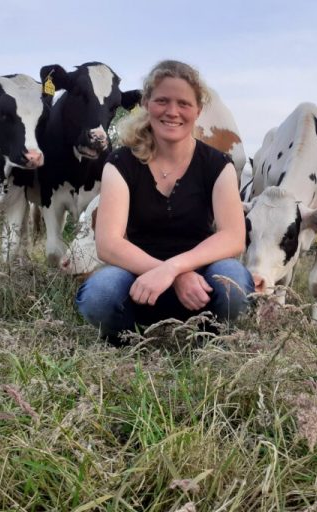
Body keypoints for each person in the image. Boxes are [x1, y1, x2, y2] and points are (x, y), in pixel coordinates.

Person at [75, 60, 253, 343]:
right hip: (138, 281)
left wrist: (175, 269)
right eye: (162, 101)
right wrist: (168, 274)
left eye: (183, 103)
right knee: (100, 294)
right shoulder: (120, 163)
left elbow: (233, 238)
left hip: (200, 285)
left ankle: (208, 337)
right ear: (146, 103)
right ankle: (130, 337)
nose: (172, 112)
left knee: (234, 281)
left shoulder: (218, 164)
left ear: (198, 110)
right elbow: (108, 244)